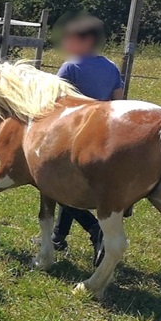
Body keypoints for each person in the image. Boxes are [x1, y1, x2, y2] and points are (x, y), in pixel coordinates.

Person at [53, 15, 124, 266]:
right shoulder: (112, 68)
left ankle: (94, 229)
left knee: (56, 184)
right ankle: (58, 236)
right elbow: (118, 102)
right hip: (107, 134)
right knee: (77, 188)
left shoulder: (70, 67)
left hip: (74, 135)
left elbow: (57, 104)